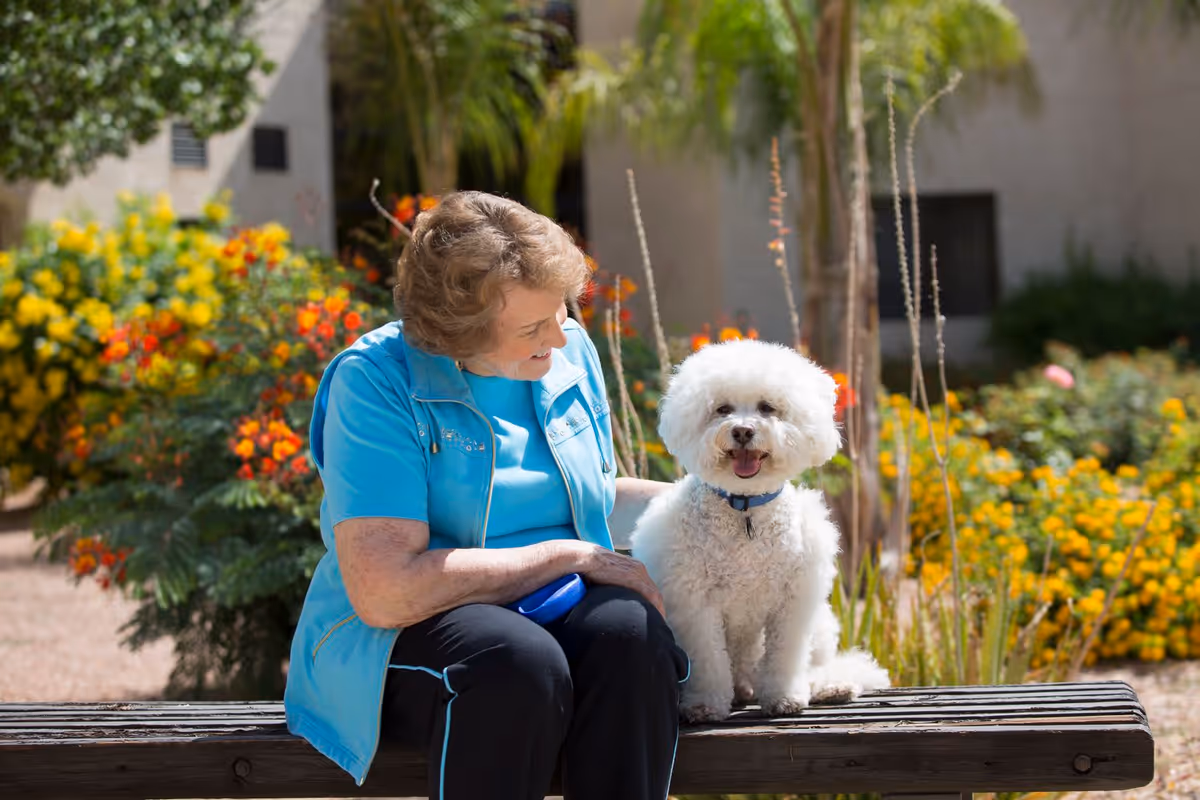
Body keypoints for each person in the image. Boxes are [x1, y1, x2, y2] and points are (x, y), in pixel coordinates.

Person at [284, 191, 688, 800]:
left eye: (562, 311)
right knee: (515, 664)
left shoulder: (566, 349)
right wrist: (566, 555)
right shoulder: (374, 380)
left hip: (554, 602)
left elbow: (592, 497)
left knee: (632, 638)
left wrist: (717, 503)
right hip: (409, 625)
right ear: (455, 333)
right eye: (532, 326)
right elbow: (387, 590)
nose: (560, 335)